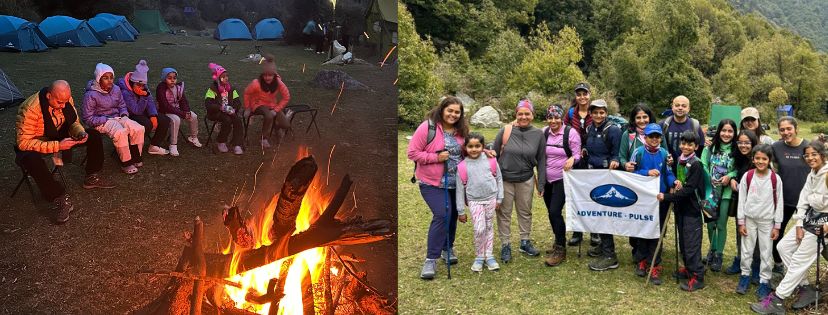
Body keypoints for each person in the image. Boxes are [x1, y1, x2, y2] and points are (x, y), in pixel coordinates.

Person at [15, 80, 115, 223]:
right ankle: (59, 197)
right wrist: (57, 146)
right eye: (60, 102)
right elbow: (23, 142)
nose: (63, 106)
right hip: (36, 140)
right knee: (30, 159)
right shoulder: (30, 109)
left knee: (93, 136)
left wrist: (80, 133)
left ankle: (92, 176)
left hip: (58, 133)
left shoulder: (65, 100)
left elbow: (73, 122)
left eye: (65, 102)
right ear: (49, 96)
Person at [750, 140, 828, 314]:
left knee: (800, 259)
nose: (810, 158)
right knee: (783, 247)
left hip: (823, 226)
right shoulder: (812, 174)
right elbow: (804, 199)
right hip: (810, 219)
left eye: (814, 154)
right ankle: (806, 288)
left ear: (822, 155)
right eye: (807, 155)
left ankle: (777, 300)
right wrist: (799, 223)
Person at [407, 96, 468, 279]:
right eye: (450, 110)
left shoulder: (461, 131)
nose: (453, 114)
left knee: (453, 215)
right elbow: (412, 153)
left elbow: (468, 151)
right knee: (442, 215)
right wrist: (436, 158)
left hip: (455, 183)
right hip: (432, 183)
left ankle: (447, 248)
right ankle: (430, 260)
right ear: (442, 110)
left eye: (457, 112)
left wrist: (486, 151)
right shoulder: (428, 127)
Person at [493, 99, 546, 262]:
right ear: (516, 114)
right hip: (505, 180)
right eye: (520, 114)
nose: (523, 117)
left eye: (527, 113)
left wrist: (541, 183)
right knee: (504, 213)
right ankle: (505, 244)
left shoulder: (538, 134)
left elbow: (542, 159)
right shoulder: (506, 130)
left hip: (526, 179)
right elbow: (493, 155)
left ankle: (525, 241)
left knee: (525, 212)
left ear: (532, 115)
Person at [630, 123, 678, 284]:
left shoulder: (665, 153)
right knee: (644, 229)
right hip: (643, 199)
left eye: (657, 136)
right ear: (645, 137)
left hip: (660, 198)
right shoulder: (638, 152)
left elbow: (668, 174)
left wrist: (673, 182)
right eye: (651, 136)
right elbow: (631, 174)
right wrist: (646, 172)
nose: (654, 139)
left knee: (657, 232)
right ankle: (642, 260)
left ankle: (655, 264)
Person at [659, 130, 706, 291]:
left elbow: (689, 189)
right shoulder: (680, 160)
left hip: (692, 210)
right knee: (684, 242)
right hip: (681, 209)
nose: (686, 147)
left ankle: (697, 277)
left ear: (695, 146)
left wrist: (667, 197)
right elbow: (680, 181)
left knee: (692, 244)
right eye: (683, 143)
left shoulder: (696, 164)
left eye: (690, 144)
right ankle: (688, 269)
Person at [735, 144, 783, 300]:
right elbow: (741, 200)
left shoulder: (775, 179)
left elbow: (779, 202)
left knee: (766, 252)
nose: (761, 161)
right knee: (747, 250)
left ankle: (764, 281)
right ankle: (745, 275)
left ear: (769, 160)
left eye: (764, 158)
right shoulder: (748, 176)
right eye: (757, 158)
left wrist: (777, 225)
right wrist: (741, 222)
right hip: (749, 219)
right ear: (753, 158)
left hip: (767, 222)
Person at [82, 63, 145, 174]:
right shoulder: (91, 95)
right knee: (120, 132)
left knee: (138, 128)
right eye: (105, 78)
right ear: (98, 79)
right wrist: (104, 119)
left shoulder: (116, 89)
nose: (110, 80)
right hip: (101, 121)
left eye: (111, 77)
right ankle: (126, 163)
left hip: (117, 116)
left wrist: (125, 115)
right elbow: (87, 118)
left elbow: (122, 105)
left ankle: (135, 156)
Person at [582, 99, 622, 271]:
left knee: (605, 212)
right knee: (597, 212)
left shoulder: (613, 130)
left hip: (607, 176)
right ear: (591, 113)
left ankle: (610, 255)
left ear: (606, 113)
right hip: (593, 175)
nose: (599, 115)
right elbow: (589, 146)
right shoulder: (590, 128)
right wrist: (584, 149)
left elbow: (618, 152)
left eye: (602, 112)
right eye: (595, 112)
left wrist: (615, 160)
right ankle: (603, 246)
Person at [456, 132, 503, 272]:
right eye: (470, 146)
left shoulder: (491, 160)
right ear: (465, 147)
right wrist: (460, 211)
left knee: (489, 226)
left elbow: (499, 179)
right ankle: (479, 256)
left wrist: (500, 198)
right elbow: (459, 190)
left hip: (491, 199)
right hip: (474, 201)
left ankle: (488, 255)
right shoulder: (462, 166)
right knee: (479, 228)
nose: (474, 149)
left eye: (477, 146)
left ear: (483, 146)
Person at [541, 104, 581, 267]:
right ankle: (559, 240)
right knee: (551, 213)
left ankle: (561, 249)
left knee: (554, 211)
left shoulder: (570, 133)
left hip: (562, 179)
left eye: (557, 117)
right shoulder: (543, 132)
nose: (553, 120)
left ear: (562, 118)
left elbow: (577, 153)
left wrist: (573, 159)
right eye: (550, 117)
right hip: (547, 180)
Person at [770, 116, 810, 272]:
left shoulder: (808, 147)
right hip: (784, 200)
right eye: (782, 129)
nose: (786, 132)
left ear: (796, 128)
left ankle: (798, 269)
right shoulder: (776, 147)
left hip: (806, 203)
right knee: (776, 234)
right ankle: (778, 264)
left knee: (804, 238)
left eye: (789, 129)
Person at [562, 82, 600, 248]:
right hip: (575, 158)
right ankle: (578, 231)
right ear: (575, 96)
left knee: (594, 194)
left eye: (585, 94)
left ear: (589, 94)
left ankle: (595, 231)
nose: (582, 97)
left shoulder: (596, 112)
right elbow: (564, 131)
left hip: (593, 158)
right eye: (579, 94)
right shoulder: (571, 113)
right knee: (577, 194)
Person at [618, 103, 656, 264]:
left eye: (645, 117)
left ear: (650, 117)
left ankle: (651, 249)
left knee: (651, 216)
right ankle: (637, 248)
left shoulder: (657, 133)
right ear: (633, 119)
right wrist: (625, 164)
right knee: (635, 216)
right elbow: (621, 156)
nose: (642, 120)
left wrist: (668, 159)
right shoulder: (629, 135)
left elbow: (666, 153)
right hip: (633, 181)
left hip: (653, 183)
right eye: (638, 117)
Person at [724, 130, 762, 282]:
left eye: (747, 142)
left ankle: (756, 266)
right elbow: (734, 171)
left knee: (757, 238)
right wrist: (733, 177)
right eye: (740, 142)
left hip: (757, 206)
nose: (743, 145)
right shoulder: (739, 157)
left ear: (753, 143)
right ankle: (740, 260)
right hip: (741, 203)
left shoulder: (758, 159)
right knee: (741, 232)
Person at [701, 119, 738, 271]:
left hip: (726, 193)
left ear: (734, 133)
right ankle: (712, 249)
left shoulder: (736, 149)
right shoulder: (710, 148)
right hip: (710, 192)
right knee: (710, 224)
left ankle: (719, 255)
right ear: (718, 131)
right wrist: (708, 176)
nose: (726, 134)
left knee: (721, 224)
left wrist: (730, 175)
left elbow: (738, 168)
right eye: (724, 130)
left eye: (730, 131)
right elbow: (703, 163)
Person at [116, 60, 171, 156]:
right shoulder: (125, 92)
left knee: (164, 120)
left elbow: (150, 103)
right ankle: (132, 146)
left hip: (142, 111)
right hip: (131, 114)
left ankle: (154, 145)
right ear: (132, 82)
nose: (141, 87)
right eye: (138, 85)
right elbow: (136, 110)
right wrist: (143, 96)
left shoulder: (144, 86)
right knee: (147, 124)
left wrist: (153, 115)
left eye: (143, 85)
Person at [243, 54, 291, 148]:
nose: (267, 78)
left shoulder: (278, 83)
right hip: (258, 103)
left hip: (272, 105)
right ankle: (263, 138)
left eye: (270, 75)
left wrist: (276, 110)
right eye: (265, 75)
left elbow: (286, 97)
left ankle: (276, 127)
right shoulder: (256, 83)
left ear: (274, 75)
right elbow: (247, 93)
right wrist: (248, 107)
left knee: (285, 125)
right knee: (268, 116)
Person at [157, 67, 202, 156]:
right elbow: (165, 105)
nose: (172, 80)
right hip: (165, 111)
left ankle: (193, 137)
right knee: (176, 120)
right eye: (169, 78)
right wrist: (181, 113)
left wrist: (187, 111)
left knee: (193, 116)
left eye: (174, 78)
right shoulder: (161, 88)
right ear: (164, 79)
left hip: (177, 109)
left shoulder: (178, 87)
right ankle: (173, 144)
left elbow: (183, 101)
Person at [204, 63, 244, 155]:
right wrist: (220, 107)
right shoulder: (212, 89)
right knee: (227, 120)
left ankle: (236, 144)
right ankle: (221, 141)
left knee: (237, 120)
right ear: (217, 79)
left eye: (227, 76)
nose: (226, 78)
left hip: (229, 111)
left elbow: (238, 102)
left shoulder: (231, 89)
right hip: (216, 113)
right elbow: (208, 104)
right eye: (223, 77)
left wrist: (234, 109)